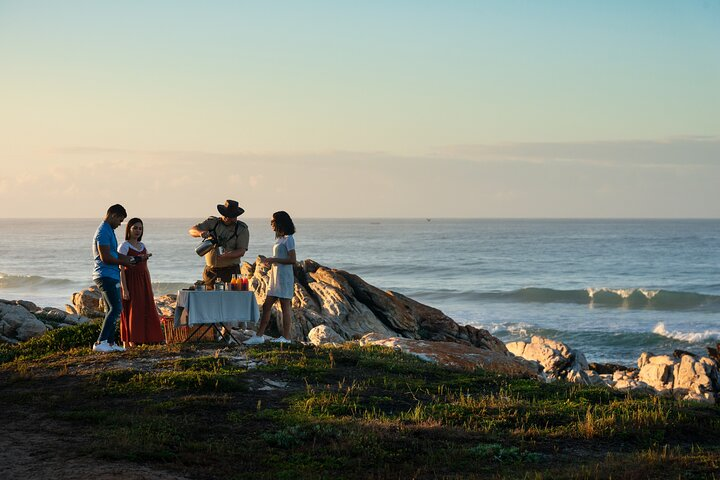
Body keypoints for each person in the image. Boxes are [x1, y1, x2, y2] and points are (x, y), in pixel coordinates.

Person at [244, 211, 296, 345]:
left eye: (273, 221)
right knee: (267, 305)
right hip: (275, 275)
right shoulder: (279, 239)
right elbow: (281, 258)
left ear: (280, 222)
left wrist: (274, 259)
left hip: (284, 276)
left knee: (285, 307)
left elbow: (292, 260)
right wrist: (271, 262)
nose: (271, 223)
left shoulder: (289, 238)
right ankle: (259, 335)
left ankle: (286, 338)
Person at [92, 204, 137, 353]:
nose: (120, 224)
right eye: (119, 220)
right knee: (116, 308)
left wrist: (132, 259)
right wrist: (124, 262)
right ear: (113, 216)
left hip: (110, 274)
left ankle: (110, 343)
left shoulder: (108, 230)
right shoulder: (103, 231)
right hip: (106, 275)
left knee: (110, 309)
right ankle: (100, 342)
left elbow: (115, 254)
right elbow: (106, 257)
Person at [118, 218, 164, 347]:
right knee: (133, 311)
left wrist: (149, 285)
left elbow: (145, 267)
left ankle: (146, 338)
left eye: (140, 228)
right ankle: (130, 341)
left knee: (146, 309)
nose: (138, 231)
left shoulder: (142, 246)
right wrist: (125, 289)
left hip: (143, 281)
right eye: (135, 228)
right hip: (131, 281)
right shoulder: (124, 246)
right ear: (129, 229)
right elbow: (121, 268)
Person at [188, 200, 249, 289]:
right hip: (211, 271)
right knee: (209, 298)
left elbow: (241, 251)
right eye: (226, 215)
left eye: (232, 216)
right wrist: (200, 233)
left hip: (230, 271)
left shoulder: (241, 228)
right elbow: (192, 230)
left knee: (230, 298)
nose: (228, 218)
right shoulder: (212, 223)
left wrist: (227, 255)